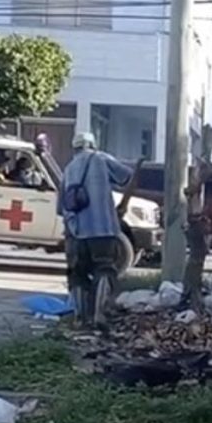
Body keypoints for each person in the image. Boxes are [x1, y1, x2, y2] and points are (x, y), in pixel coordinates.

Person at [57, 132, 132, 327]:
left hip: (76, 232)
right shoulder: (100, 159)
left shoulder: (69, 168)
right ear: (92, 144)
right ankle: (99, 315)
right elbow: (126, 176)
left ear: (75, 148)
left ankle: (80, 318)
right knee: (104, 268)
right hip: (103, 228)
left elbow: (60, 207)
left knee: (77, 273)